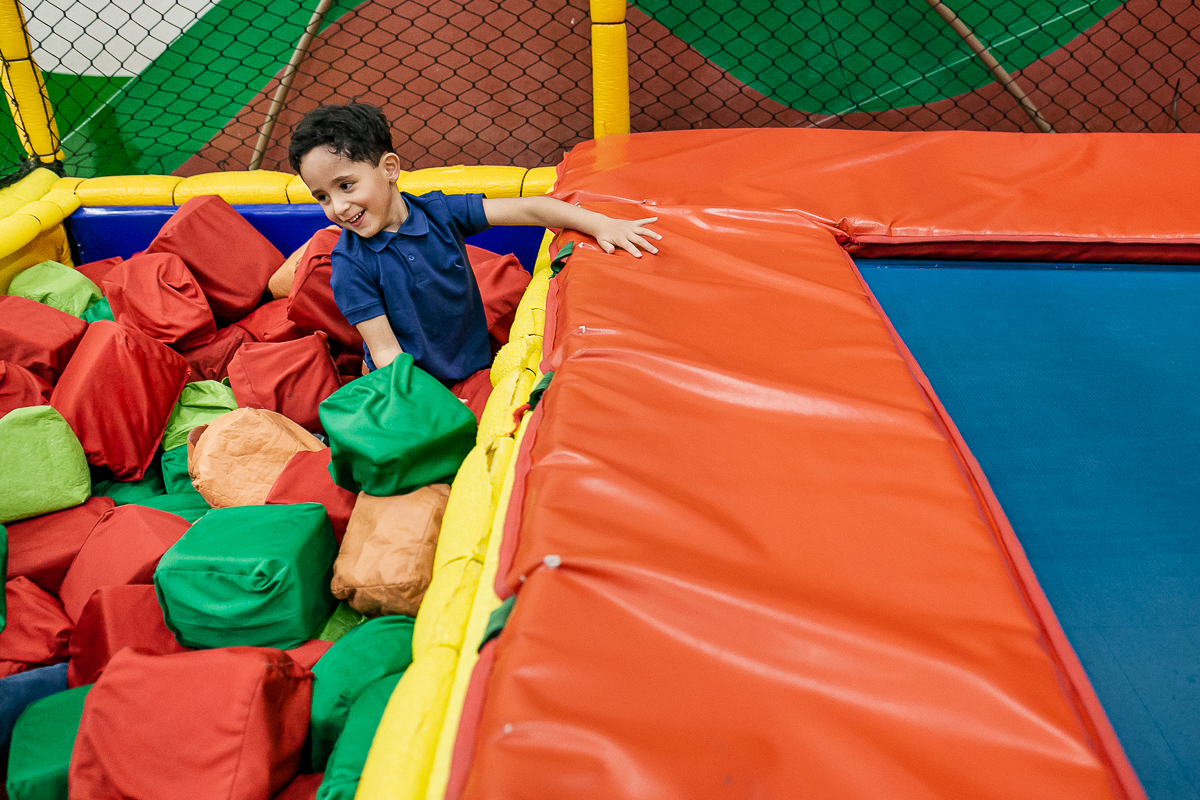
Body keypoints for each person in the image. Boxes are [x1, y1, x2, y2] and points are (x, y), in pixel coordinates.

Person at [287, 103, 660, 385]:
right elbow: (386, 354)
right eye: (322, 196)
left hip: (472, 363)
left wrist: (600, 223)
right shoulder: (351, 265)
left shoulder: (439, 212)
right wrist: (424, 409)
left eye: (346, 186)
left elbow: (532, 208)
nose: (338, 207)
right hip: (412, 383)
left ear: (389, 169)